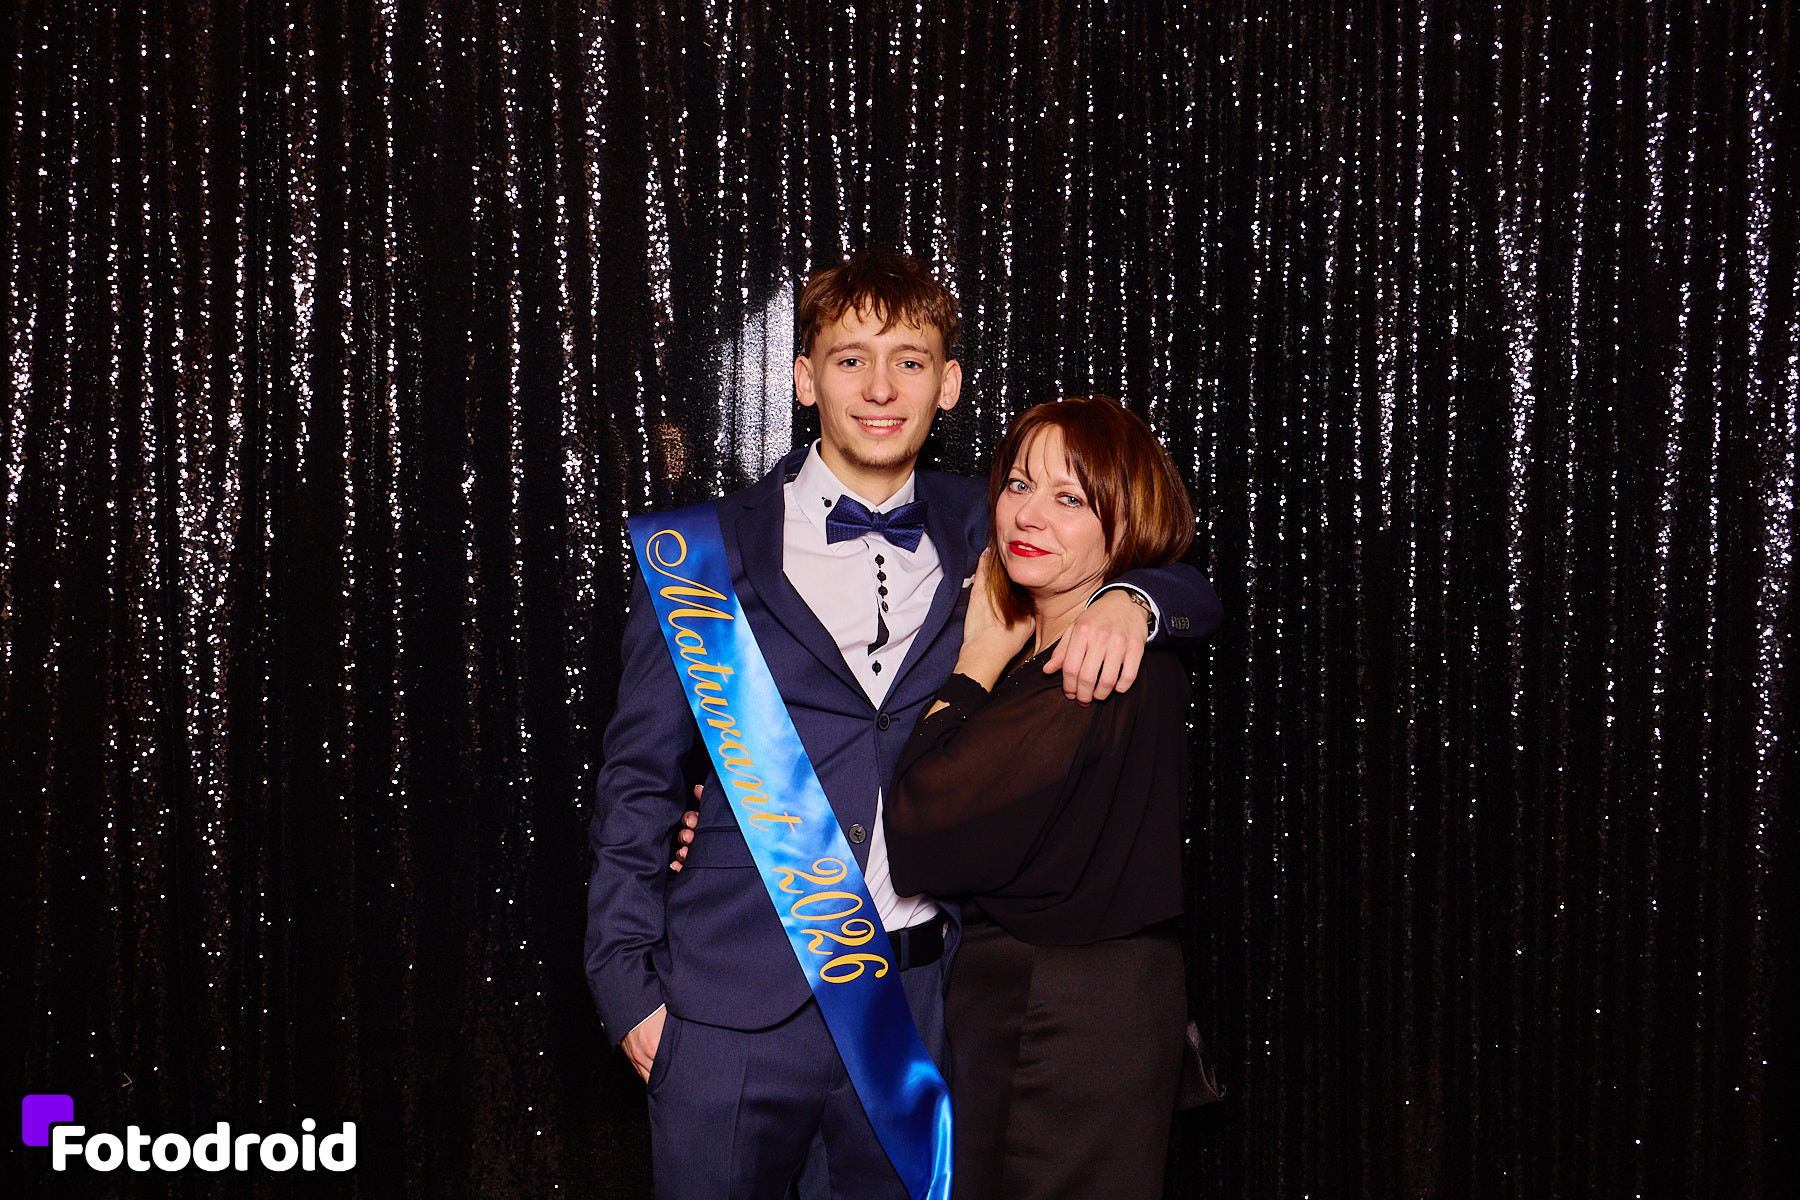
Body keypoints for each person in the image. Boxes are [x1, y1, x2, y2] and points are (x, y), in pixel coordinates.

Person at [585, 251, 1221, 1200]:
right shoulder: (698, 554)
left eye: (910, 361)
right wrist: (628, 990)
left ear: (948, 384)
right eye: (851, 360)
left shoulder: (994, 522)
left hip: (922, 1012)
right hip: (726, 1010)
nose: (880, 389)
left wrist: (1137, 600)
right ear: (804, 380)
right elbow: (638, 784)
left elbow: (1164, 559)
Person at [884, 395, 1209, 1200]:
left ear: (1124, 523)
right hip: (1059, 1008)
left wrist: (975, 665)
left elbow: (921, 823)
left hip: (1062, 1020)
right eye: (1020, 484)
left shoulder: (1089, 670)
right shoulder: (1071, 642)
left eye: (1071, 498)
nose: (1029, 515)